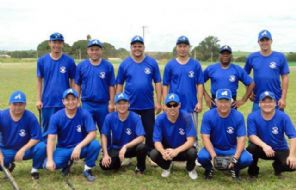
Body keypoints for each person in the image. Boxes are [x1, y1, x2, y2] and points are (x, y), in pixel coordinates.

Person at [116, 35, 162, 152]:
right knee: (129, 130)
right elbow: (120, 84)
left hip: (147, 104)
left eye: (140, 46)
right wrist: (117, 101)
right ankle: (128, 153)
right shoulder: (125, 64)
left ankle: (150, 153)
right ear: (131, 47)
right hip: (130, 105)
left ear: (143, 47)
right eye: (135, 46)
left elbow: (157, 82)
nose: (137, 48)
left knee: (149, 130)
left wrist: (159, 102)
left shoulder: (151, 62)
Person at [45, 89, 100, 182]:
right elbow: (51, 139)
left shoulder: (84, 113)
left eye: (73, 99)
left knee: (95, 145)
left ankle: (87, 169)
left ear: (78, 100)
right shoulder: (56, 117)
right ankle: (67, 163)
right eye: (67, 99)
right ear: (63, 101)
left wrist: (79, 146)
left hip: (81, 148)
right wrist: (50, 159)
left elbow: (93, 133)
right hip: (64, 148)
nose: (71, 102)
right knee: (47, 164)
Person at [198, 89, 253, 180]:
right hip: (214, 148)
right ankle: (209, 168)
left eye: (226, 101)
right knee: (202, 157)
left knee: (247, 159)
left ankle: (234, 169)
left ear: (231, 102)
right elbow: (205, 138)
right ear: (215, 102)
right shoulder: (208, 115)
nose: (223, 105)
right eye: (220, 101)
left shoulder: (238, 116)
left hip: (232, 149)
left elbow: (241, 139)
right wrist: (213, 156)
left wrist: (235, 158)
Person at [247, 91, 296, 177]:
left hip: (279, 148)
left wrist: (292, 156)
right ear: (259, 104)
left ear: (275, 103)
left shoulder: (283, 117)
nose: (267, 104)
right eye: (264, 102)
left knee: (292, 165)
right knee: (251, 148)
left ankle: (278, 166)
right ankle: (253, 171)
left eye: (270, 101)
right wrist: (264, 146)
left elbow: (293, 136)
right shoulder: (252, 116)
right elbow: (251, 136)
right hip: (261, 149)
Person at [36, 32, 76, 138]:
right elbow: (39, 80)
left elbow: (73, 80)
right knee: (47, 132)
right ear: (49, 43)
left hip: (65, 103)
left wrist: (74, 99)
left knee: (66, 131)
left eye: (59, 42)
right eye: (54, 42)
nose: (56, 45)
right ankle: (46, 154)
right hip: (48, 102)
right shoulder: (42, 61)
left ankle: (63, 153)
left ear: (62, 44)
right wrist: (38, 99)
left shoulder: (69, 61)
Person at [150, 93, 198, 180]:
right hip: (167, 151)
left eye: (175, 105)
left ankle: (190, 169)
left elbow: (191, 141)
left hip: (182, 150)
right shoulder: (159, 119)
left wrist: (176, 151)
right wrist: (162, 152)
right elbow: (157, 141)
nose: (172, 108)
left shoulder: (186, 117)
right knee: (153, 153)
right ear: (165, 106)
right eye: (169, 105)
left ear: (179, 105)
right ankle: (166, 166)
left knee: (192, 152)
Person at [0, 91, 46, 180]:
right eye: (15, 104)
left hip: (26, 150)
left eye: (20, 104)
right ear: (10, 104)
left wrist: (22, 150)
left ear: (25, 105)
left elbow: (36, 137)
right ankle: (9, 166)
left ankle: (34, 169)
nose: (17, 107)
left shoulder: (30, 117)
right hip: (7, 149)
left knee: (42, 146)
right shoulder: (2, 116)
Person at [74, 39, 115, 135]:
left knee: (105, 131)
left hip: (103, 104)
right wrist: (76, 100)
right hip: (87, 104)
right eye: (92, 49)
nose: (94, 52)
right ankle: (87, 150)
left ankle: (106, 150)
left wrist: (112, 103)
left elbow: (111, 86)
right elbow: (77, 84)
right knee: (86, 131)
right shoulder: (81, 66)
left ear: (101, 51)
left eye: (97, 49)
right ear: (88, 51)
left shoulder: (108, 66)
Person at [163, 36, 204, 131]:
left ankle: (193, 145)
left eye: (185, 46)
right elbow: (165, 84)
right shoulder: (170, 65)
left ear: (189, 47)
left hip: (191, 105)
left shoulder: (195, 64)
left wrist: (200, 102)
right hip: (173, 105)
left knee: (191, 133)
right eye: (180, 46)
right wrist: (165, 103)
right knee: (174, 132)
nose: (182, 49)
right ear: (176, 47)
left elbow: (200, 84)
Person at [99, 92, 147, 174]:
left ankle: (140, 168)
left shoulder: (135, 117)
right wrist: (106, 154)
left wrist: (126, 146)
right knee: (104, 165)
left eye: (124, 103)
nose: (122, 106)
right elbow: (104, 135)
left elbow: (141, 137)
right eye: (119, 103)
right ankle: (119, 162)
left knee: (142, 147)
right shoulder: (109, 117)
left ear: (128, 104)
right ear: (115, 106)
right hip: (116, 148)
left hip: (130, 148)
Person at [244, 30, 289, 111]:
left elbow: (285, 77)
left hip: (276, 100)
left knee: (277, 123)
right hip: (258, 100)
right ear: (258, 42)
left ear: (271, 41)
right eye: (262, 40)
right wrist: (249, 91)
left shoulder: (280, 57)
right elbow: (244, 76)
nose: (264, 42)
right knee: (257, 123)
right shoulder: (252, 57)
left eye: (267, 40)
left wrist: (283, 98)